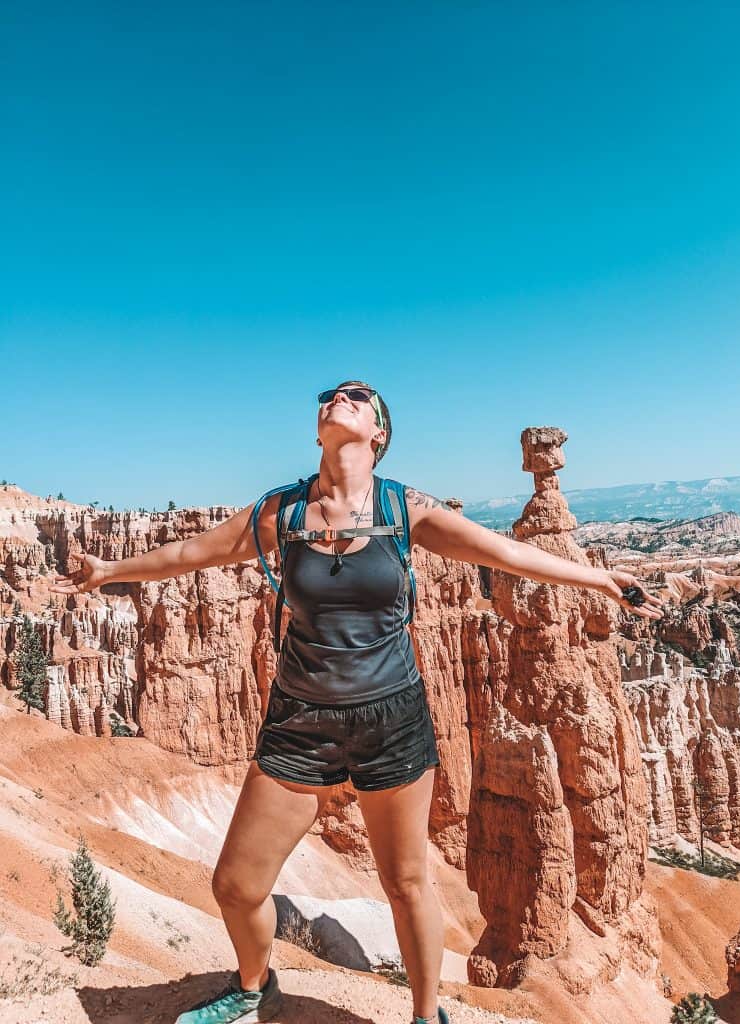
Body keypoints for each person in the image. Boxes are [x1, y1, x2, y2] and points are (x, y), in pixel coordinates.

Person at [50, 379, 664, 1024]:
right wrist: (106, 572)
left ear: (379, 434)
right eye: (331, 396)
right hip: (300, 721)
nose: (338, 397)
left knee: (405, 884)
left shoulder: (404, 510)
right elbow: (189, 554)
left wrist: (601, 577)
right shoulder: (282, 512)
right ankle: (255, 987)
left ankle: (428, 1016)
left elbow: (507, 553)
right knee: (236, 884)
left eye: (357, 395)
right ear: (321, 430)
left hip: (391, 720)